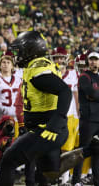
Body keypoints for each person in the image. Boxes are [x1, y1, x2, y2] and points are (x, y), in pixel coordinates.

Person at [0, 31, 71, 186]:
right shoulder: (39, 65)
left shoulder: (38, 71)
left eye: (21, 51)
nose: (18, 55)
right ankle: (90, 150)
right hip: (50, 129)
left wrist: (55, 123)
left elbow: (65, 91)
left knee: (8, 160)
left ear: (32, 50)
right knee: (47, 172)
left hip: (46, 129)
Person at [51, 47, 80, 185]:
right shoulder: (49, 73)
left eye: (61, 57)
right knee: (52, 147)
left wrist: (79, 113)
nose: (59, 60)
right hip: (52, 115)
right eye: (56, 57)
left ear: (66, 59)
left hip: (70, 115)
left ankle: (65, 178)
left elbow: (76, 95)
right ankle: (52, 176)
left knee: (67, 148)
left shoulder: (74, 74)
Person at [72, 52, 99, 186]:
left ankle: (96, 180)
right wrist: (94, 95)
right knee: (83, 150)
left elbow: (95, 95)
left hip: (98, 119)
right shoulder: (84, 76)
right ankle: (76, 180)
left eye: (96, 60)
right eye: (91, 60)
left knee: (98, 151)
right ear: (88, 62)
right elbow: (92, 93)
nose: (94, 62)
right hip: (88, 120)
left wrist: (95, 96)